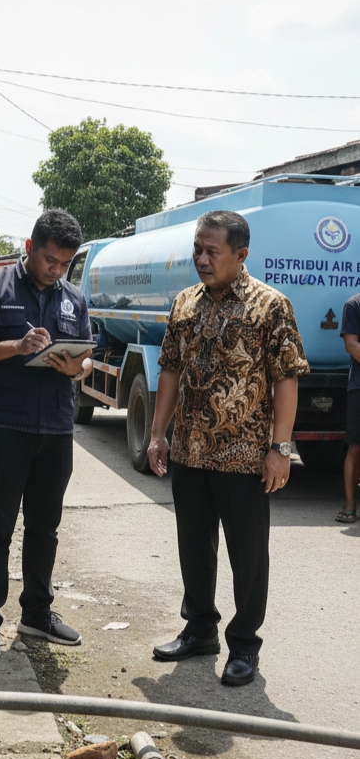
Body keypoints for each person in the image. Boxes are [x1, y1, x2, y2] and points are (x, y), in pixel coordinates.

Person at [147, 210, 308, 687]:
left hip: (244, 456)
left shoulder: (270, 305)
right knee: (194, 547)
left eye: (211, 251)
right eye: (197, 249)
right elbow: (170, 369)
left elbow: (286, 378)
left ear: (240, 254)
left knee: (248, 556)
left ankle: (244, 645)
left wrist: (280, 448)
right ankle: (200, 631)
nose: (201, 259)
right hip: (190, 452)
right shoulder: (184, 303)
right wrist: (158, 434)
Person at [0, 209, 94, 660]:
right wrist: (15, 347)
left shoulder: (73, 298)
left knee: (45, 527)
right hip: (4, 426)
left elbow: (86, 357)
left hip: (56, 428)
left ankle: (36, 612)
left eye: (65, 263)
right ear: (30, 247)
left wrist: (76, 368)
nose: (57, 270)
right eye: (50, 260)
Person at [336, 293, 360, 523]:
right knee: (356, 447)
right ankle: (350, 506)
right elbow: (351, 344)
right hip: (359, 388)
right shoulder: (354, 304)